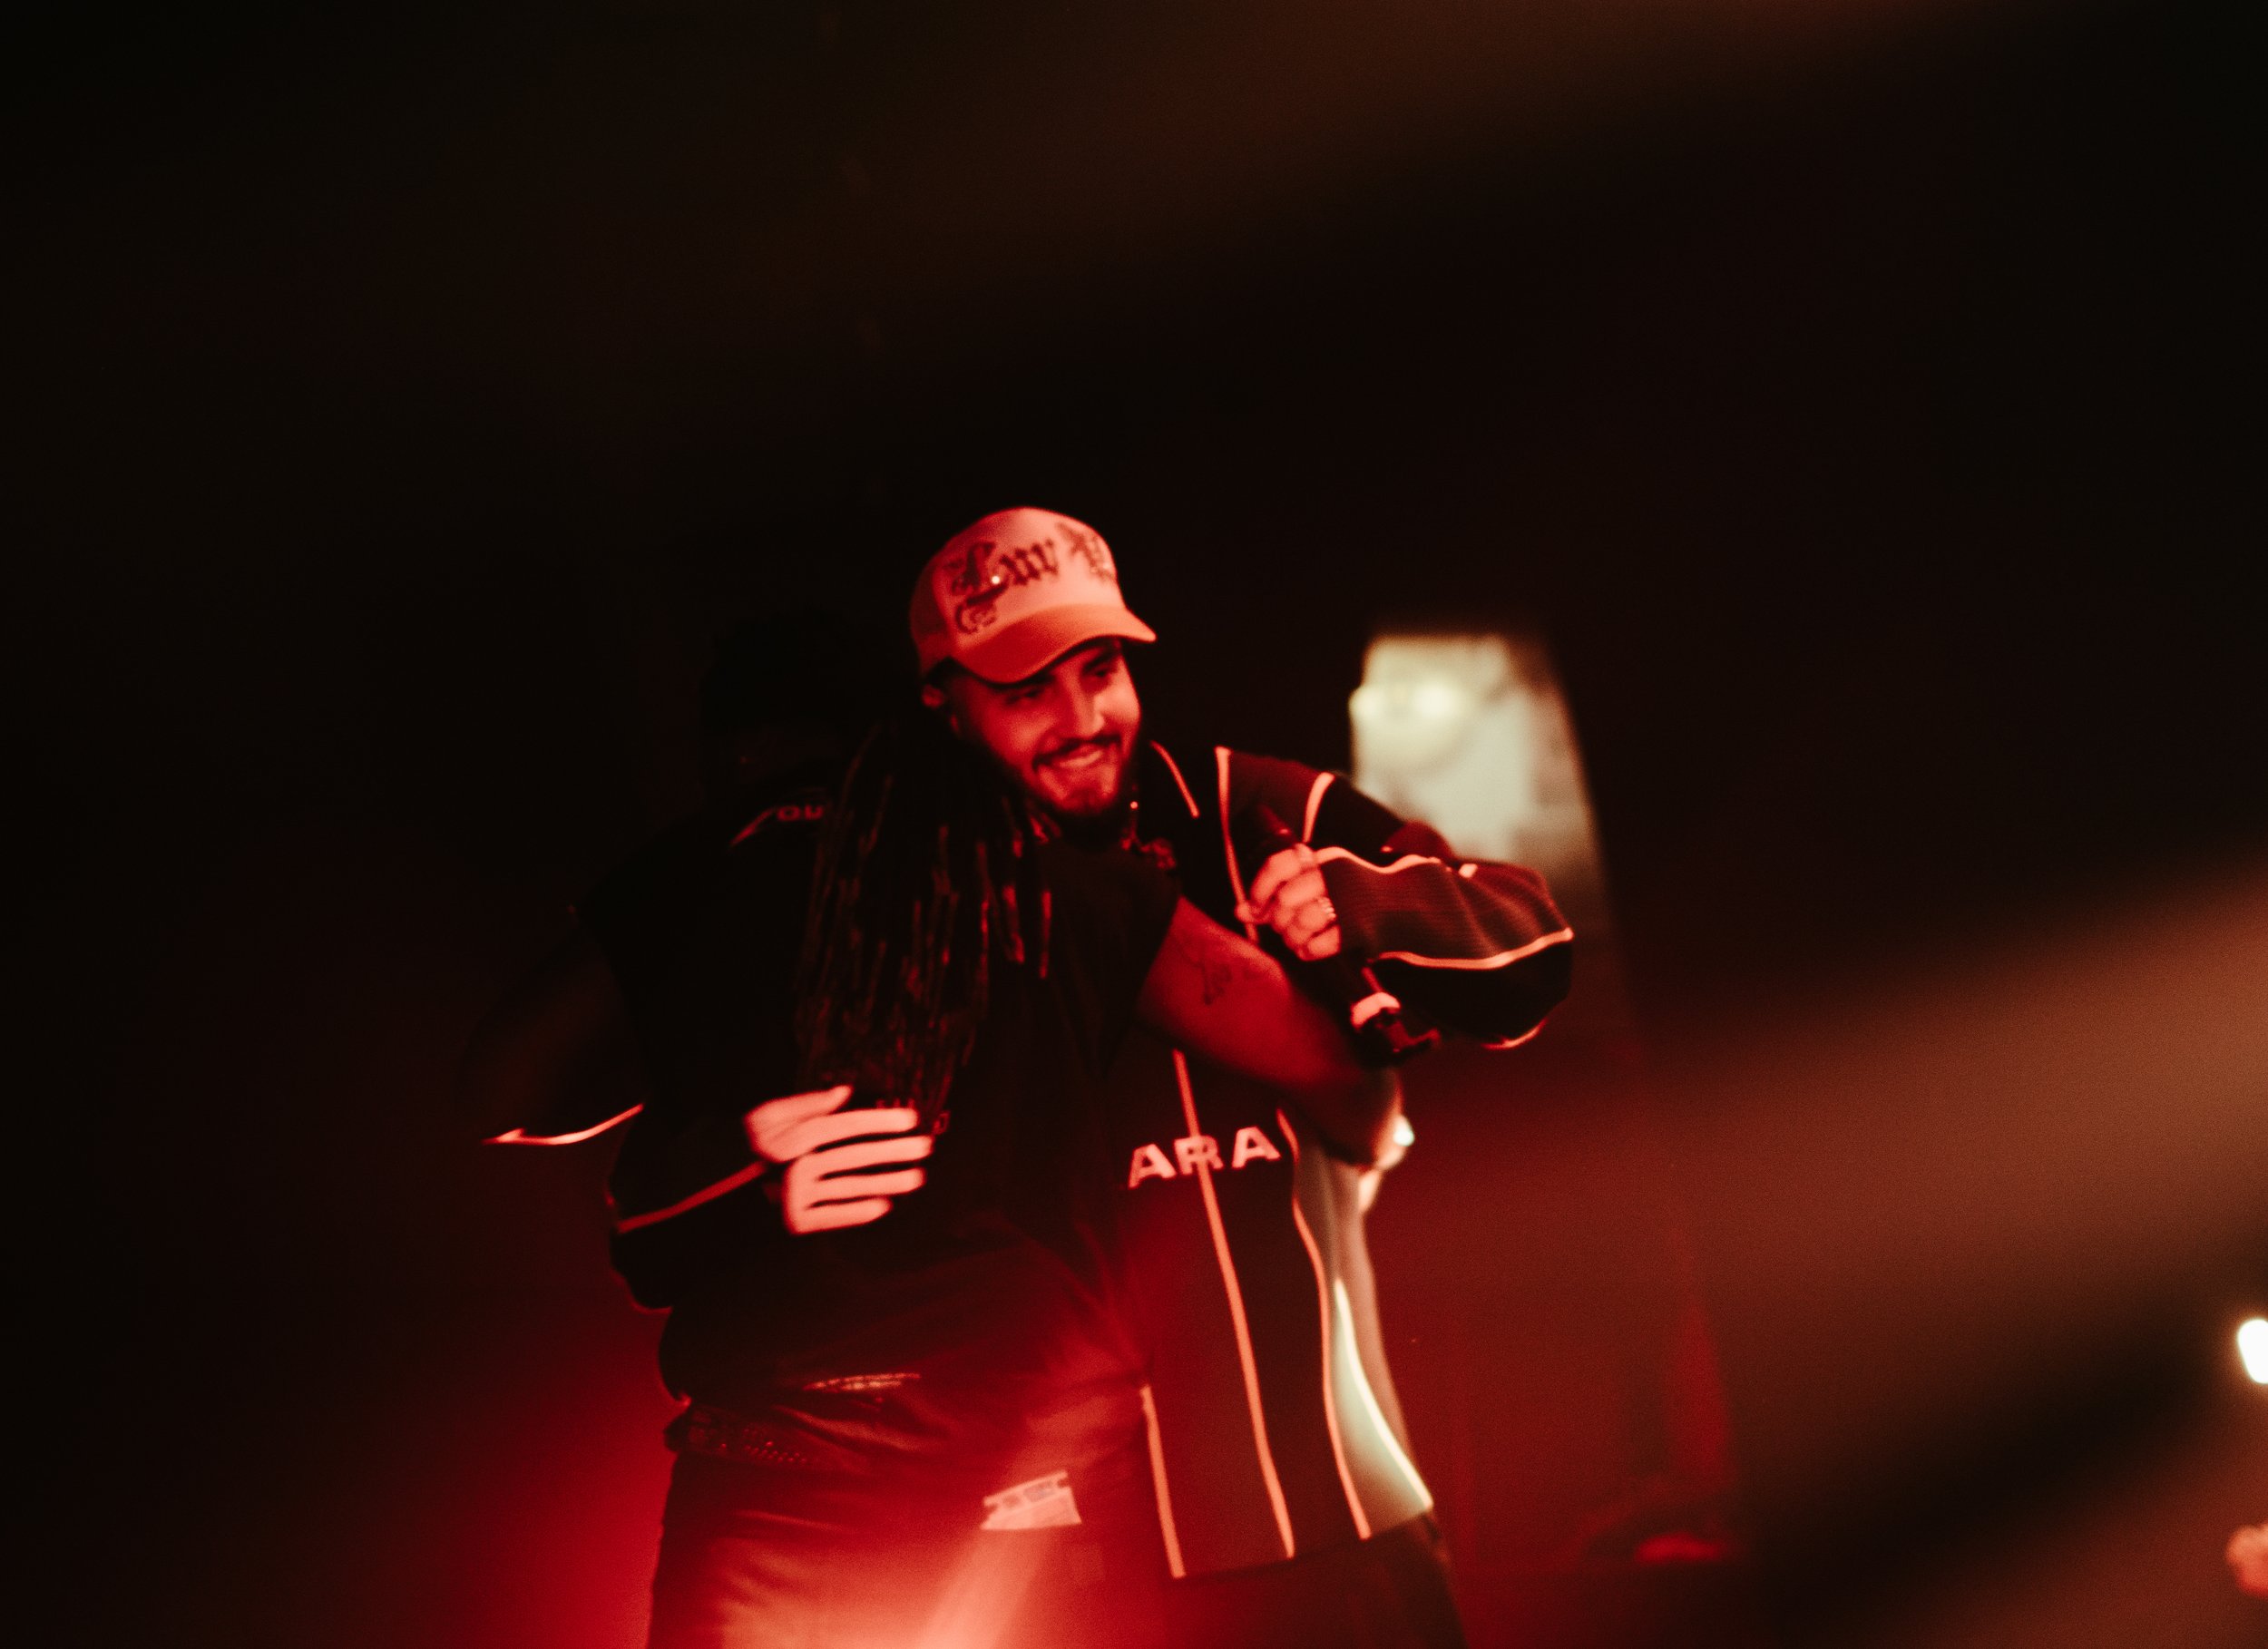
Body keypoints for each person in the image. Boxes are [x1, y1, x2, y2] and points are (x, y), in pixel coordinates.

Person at [461, 615, 1403, 1647]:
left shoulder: (685, 877)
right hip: (1030, 1482)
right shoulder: (1062, 876)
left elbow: (501, 1095)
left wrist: (709, 1074)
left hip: (772, 1483)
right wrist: (1366, 1125)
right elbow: (1328, 1064)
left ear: (728, 758)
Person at [897, 507, 1574, 1649]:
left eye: (1101, 670)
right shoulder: (912, 903)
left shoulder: (1243, 807)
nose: (1081, 721)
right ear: (945, 706)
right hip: (1075, 1579)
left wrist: (1370, 902)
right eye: (1026, 692)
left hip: (1348, 1523)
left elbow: (1533, 950)